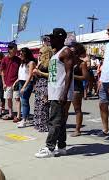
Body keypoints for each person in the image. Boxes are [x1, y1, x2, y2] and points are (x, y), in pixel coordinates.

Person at [35, 28, 75, 158]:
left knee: (54, 121)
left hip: (60, 92)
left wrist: (64, 93)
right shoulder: (55, 53)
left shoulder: (66, 52)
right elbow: (54, 74)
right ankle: (62, 146)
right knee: (61, 121)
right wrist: (49, 92)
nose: (50, 40)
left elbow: (69, 73)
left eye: (52, 38)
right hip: (54, 91)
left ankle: (49, 148)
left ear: (60, 39)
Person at [94, 21, 109, 142]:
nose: (107, 32)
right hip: (104, 80)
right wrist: (101, 80)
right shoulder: (108, 45)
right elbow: (106, 64)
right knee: (102, 104)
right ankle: (105, 130)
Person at [67, 43, 89, 137]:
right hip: (67, 87)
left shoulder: (82, 63)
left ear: (77, 52)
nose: (71, 52)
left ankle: (77, 129)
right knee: (64, 109)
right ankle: (62, 127)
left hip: (76, 88)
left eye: (73, 51)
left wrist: (73, 76)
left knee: (77, 109)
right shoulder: (68, 62)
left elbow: (85, 77)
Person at [32, 44, 52, 132]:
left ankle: (44, 125)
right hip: (39, 84)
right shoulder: (40, 62)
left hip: (45, 85)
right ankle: (38, 124)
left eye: (41, 53)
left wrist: (40, 72)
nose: (39, 54)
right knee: (38, 105)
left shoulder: (50, 62)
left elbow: (50, 75)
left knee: (44, 106)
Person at [0, 42, 21, 122]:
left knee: (17, 99)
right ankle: (10, 114)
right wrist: (3, 83)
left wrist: (17, 81)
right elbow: (2, 72)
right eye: (15, 49)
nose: (16, 50)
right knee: (8, 99)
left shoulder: (18, 60)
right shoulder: (5, 59)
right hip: (7, 83)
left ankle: (18, 115)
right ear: (10, 49)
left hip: (16, 82)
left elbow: (21, 71)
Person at [16, 47, 37, 128]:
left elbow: (30, 75)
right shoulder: (23, 63)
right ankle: (25, 118)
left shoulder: (31, 63)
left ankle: (24, 120)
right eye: (19, 53)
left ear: (26, 54)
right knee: (23, 100)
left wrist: (24, 86)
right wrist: (16, 82)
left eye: (21, 54)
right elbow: (21, 74)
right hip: (21, 82)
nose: (20, 55)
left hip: (27, 83)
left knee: (24, 101)